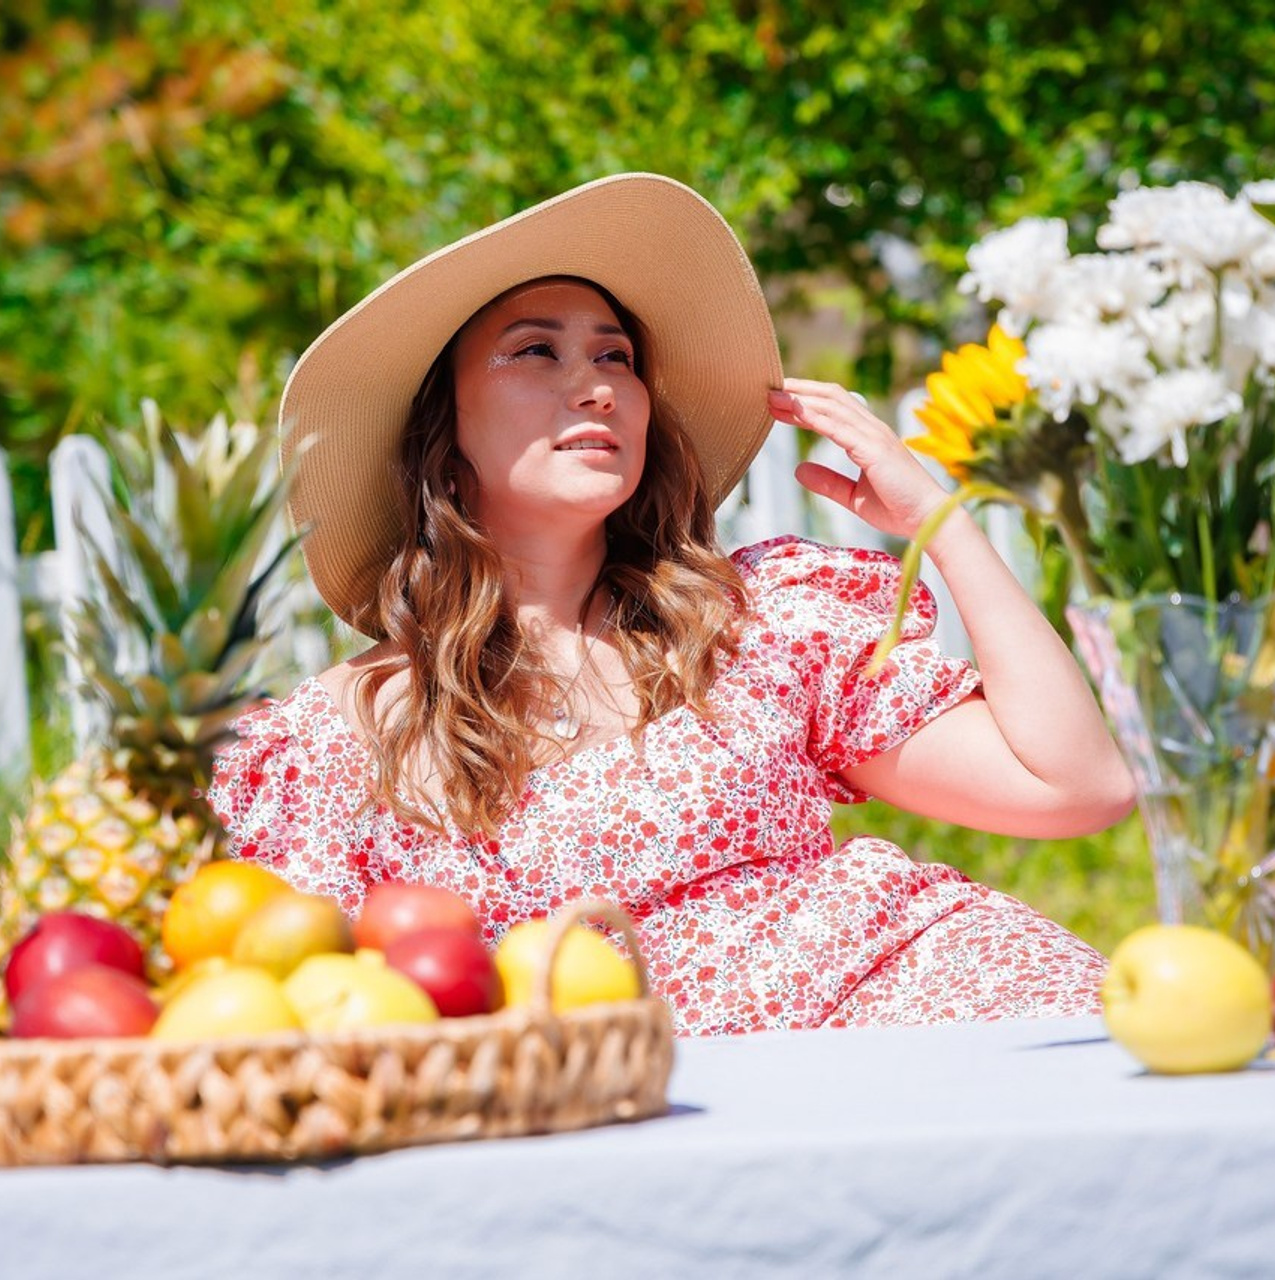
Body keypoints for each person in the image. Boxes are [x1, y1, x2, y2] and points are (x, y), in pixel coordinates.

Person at [209, 173, 1135, 1035]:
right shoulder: (331, 746)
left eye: (616, 357)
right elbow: (322, 1022)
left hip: (926, 997)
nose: (599, 384)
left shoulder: (758, 625)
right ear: (443, 434)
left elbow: (1076, 787)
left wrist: (938, 519)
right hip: (649, 1113)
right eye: (537, 350)